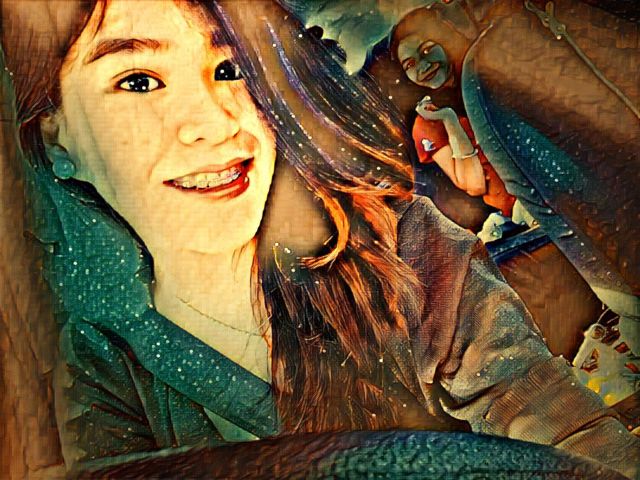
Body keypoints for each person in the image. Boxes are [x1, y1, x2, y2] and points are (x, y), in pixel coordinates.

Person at [1, 0, 638, 477]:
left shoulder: (406, 248)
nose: (213, 123)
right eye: (138, 81)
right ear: (56, 138)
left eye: (230, 68)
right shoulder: (100, 361)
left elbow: (562, 431)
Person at [391, 6, 523, 241]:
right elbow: (474, 184)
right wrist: (450, 121)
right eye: (410, 64)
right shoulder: (427, 123)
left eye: (427, 50)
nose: (423, 66)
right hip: (517, 212)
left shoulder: (487, 72)